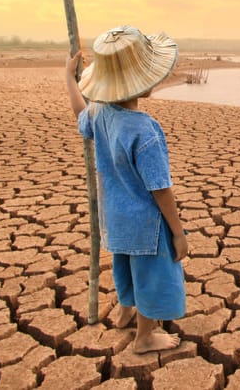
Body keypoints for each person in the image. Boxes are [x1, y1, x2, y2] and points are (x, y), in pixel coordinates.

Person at [65, 25, 188, 353]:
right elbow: (160, 188)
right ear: (146, 83)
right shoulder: (145, 130)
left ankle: (124, 312)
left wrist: (70, 80)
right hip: (145, 223)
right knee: (150, 275)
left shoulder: (100, 114)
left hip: (113, 217)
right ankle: (144, 337)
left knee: (124, 266)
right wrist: (177, 231)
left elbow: (81, 113)